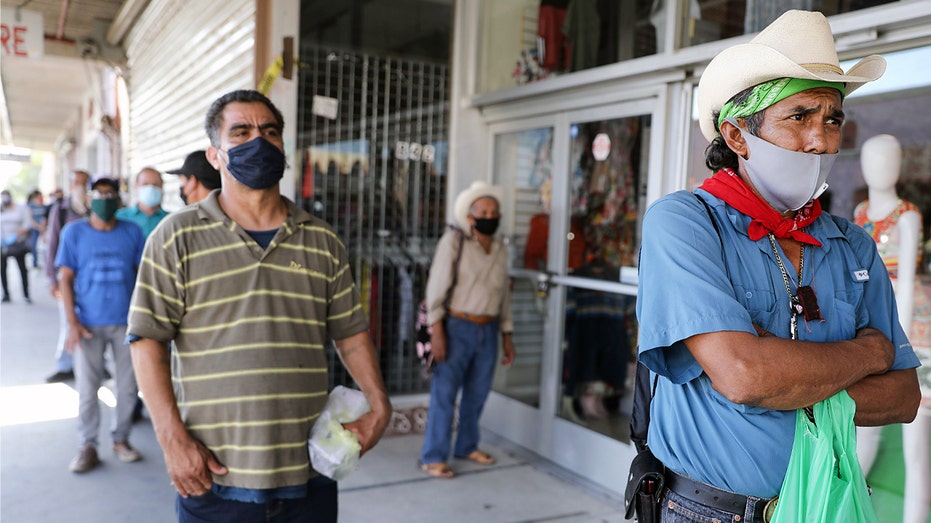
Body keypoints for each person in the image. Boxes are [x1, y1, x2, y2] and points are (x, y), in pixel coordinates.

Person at [636, 10, 921, 522]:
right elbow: (746, 376)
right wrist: (866, 352)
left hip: (825, 508)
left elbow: (902, 397)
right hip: (705, 512)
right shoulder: (684, 223)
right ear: (738, 136)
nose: (821, 140)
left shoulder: (851, 243)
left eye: (832, 118)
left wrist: (789, 379)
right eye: (800, 117)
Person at [127, 89, 391, 523]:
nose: (258, 142)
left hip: (309, 472)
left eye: (269, 132)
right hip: (214, 476)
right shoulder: (176, 237)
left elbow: (351, 333)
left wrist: (380, 406)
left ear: (283, 147)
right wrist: (172, 439)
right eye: (241, 132)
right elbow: (147, 340)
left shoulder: (322, 240)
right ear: (215, 155)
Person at [853, 134, 931, 523]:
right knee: (865, 427)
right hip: (873, 329)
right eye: (872, 160)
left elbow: (905, 282)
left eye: (888, 159)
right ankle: (842, 507)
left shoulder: (909, 216)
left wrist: (895, 341)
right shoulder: (861, 212)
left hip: (909, 330)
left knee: (915, 442)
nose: (880, 168)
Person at [418, 180, 516, 479]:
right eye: (483, 211)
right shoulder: (454, 242)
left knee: (477, 393)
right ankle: (433, 455)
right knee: (445, 393)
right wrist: (437, 331)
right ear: (471, 217)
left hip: (488, 331)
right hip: (455, 327)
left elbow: (503, 296)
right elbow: (436, 287)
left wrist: (507, 335)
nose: (490, 215)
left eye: (494, 211)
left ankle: (467, 446)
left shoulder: (500, 249)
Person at [56, 176, 146, 473]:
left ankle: (121, 439)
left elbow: (143, 277)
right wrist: (72, 323)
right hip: (87, 325)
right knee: (87, 388)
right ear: (90, 197)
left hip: (126, 323)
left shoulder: (132, 232)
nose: (105, 198)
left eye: (110, 193)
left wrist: (143, 320)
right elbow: (65, 279)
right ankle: (88, 445)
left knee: (128, 388)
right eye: (99, 193)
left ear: (119, 199)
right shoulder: (74, 233)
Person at [44, 170, 91, 383]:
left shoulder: (94, 207)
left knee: (92, 321)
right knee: (68, 320)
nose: (80, 187)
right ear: (70, 185)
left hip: (91, 279)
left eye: (84, 183)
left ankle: (94, 363)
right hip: (67, 278)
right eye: (76, 183)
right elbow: (51, 244)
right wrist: (52, 279)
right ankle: (65, 364)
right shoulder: (60, 210)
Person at [115, 167, 168, 237]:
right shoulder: (119, 217)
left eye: (155, 185)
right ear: (136, 187)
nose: (151, 188)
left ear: (162, 187)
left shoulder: (170, 219)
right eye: (145, 184)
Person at [1, 189, 32, 303]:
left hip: (18, 243)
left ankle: (26, 294)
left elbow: (27, 223)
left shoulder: (20, 208)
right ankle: (6, 294)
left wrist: (18, 233)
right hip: (4, 244)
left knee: (22, 269)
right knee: (3, 270)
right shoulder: (1, 209)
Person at [26, 189, 47, 269]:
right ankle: (35, 263)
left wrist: (43, 227)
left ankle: (46, 263)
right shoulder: (30, 206)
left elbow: (44, 218)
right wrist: (38, 227)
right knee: (34, 246)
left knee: (45, 245)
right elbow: (30, 219)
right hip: (34, 229)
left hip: (42, 228)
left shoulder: (44, 207)